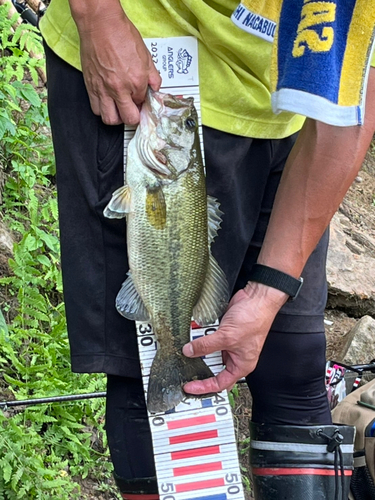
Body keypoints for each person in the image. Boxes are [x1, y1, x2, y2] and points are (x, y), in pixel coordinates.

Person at [40, 1, 375, 499]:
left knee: (295, 364)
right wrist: (98, 16)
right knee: (145, 381)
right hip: (143, 65)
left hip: (293, 105)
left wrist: (269, 292)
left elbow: (352, 109)